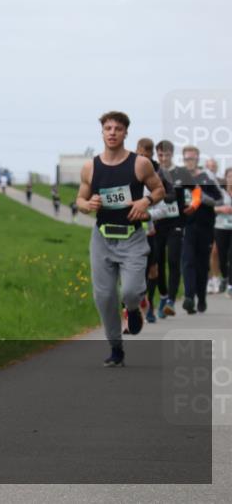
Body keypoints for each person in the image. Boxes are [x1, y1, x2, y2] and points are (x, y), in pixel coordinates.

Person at [76, 112, 164, 367]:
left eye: (118, 128)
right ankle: (116, 348)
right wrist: (87, 203)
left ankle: (134, 308)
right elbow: (80, 200)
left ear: (126, 133)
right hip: (102, 238)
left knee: (130, 291)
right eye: (108, 128)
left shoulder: (140, 164)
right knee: (103, 297)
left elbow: (159, 190)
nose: (112, 132)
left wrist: (145, 200)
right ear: (102, 133)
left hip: (133, 238)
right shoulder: (90, 167)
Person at [172, 146, 222, 314]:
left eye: (192, 159)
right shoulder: (179, 179)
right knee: (187, 261)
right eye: (186, 159)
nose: (189, 162)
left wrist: (202, 198)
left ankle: (201, 297)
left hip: (205, 227)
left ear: (197, 159)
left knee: (201, 266)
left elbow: (219, 200)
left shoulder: (206, 178)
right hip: (186, 226)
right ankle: (188, 297)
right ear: (183, 160)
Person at [151, 140, 183, 317]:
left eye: (167, 154)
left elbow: (194, 192)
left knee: (173, 260)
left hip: (176, 223)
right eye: (160, 155)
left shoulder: (181, 173)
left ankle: (171, 300)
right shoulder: (153, 173)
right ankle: (163, 296)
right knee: (159, 262)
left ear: (172, 154)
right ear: (157, 155)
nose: (163, 158)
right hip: (158, 223)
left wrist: (192, 207)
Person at [135, 138, 164, 323]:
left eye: (147, 156)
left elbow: (164, 207)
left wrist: (148, 215)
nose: (143, 159)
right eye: (140, 155)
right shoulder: (127, 173)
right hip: (131, 235)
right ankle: (135, 307)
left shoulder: (156, 176)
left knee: (153, 271)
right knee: (135, 273)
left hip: (150, 232)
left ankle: (150, 304)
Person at [215, 167, 232, 294]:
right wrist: (221, 209)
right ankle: (224, 277)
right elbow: (212, 208)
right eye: (229, 176)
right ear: (225, 178)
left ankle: (230, 285)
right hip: (221, 226)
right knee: (222, 255)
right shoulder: (219, 192)